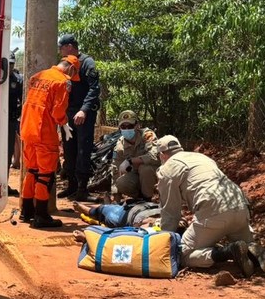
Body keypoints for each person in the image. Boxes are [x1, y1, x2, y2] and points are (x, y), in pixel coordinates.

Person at [155, 135, 265, 277]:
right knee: (240, 239)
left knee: (182, 254)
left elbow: (170, 212)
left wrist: (164, 243)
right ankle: (250, 248)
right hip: (240, 206)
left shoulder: (168, 169)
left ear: (162, 154)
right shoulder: (201, 157)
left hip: (213, 212)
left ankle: (228, 252)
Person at [19, 55, 81, 228]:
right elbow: (57, 111)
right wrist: (63, 123)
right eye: (74, 73)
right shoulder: (62, 82)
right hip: (44, 132)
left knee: (31, 170)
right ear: (71, 68)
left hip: (28, 129)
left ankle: (26, 211)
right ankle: (41, 215)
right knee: (45, 175)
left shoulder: (37, 76)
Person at [56, 34, 100, 201]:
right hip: (68, 113)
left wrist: (84, 110)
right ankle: (72, 186)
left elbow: (94, 89)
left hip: (83, 114)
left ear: (69, 46)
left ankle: (82, 188)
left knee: (83, 149)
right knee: (69, 149)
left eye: (61, 47)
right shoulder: (66, 64)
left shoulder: (87, 62)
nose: (59, 50)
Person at [110, 110, 160, 201]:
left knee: (145, 169)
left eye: (130, 126)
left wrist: (130, 161)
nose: (126, 129)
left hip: (153, 173)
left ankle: (147, 198)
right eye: (123, 126)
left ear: (137, 125)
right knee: (121, 182)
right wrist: (116, 198)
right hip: (135, 175)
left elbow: (154, 156)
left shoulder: (147, 135)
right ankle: (139, 198)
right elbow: (115, 169)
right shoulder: (120, 145)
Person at [73, 198, 161, 229]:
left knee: (106, 209)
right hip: (139, 207)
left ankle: (88, 210)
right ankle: (92, 209)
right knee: (111, 208)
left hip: (125, 216)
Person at [7, 50, 23, 170]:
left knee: (8, 151)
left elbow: (23, 99)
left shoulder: (17, 81)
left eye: (11, 64)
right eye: (7, 64)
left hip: (11, 120)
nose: (9, 67)